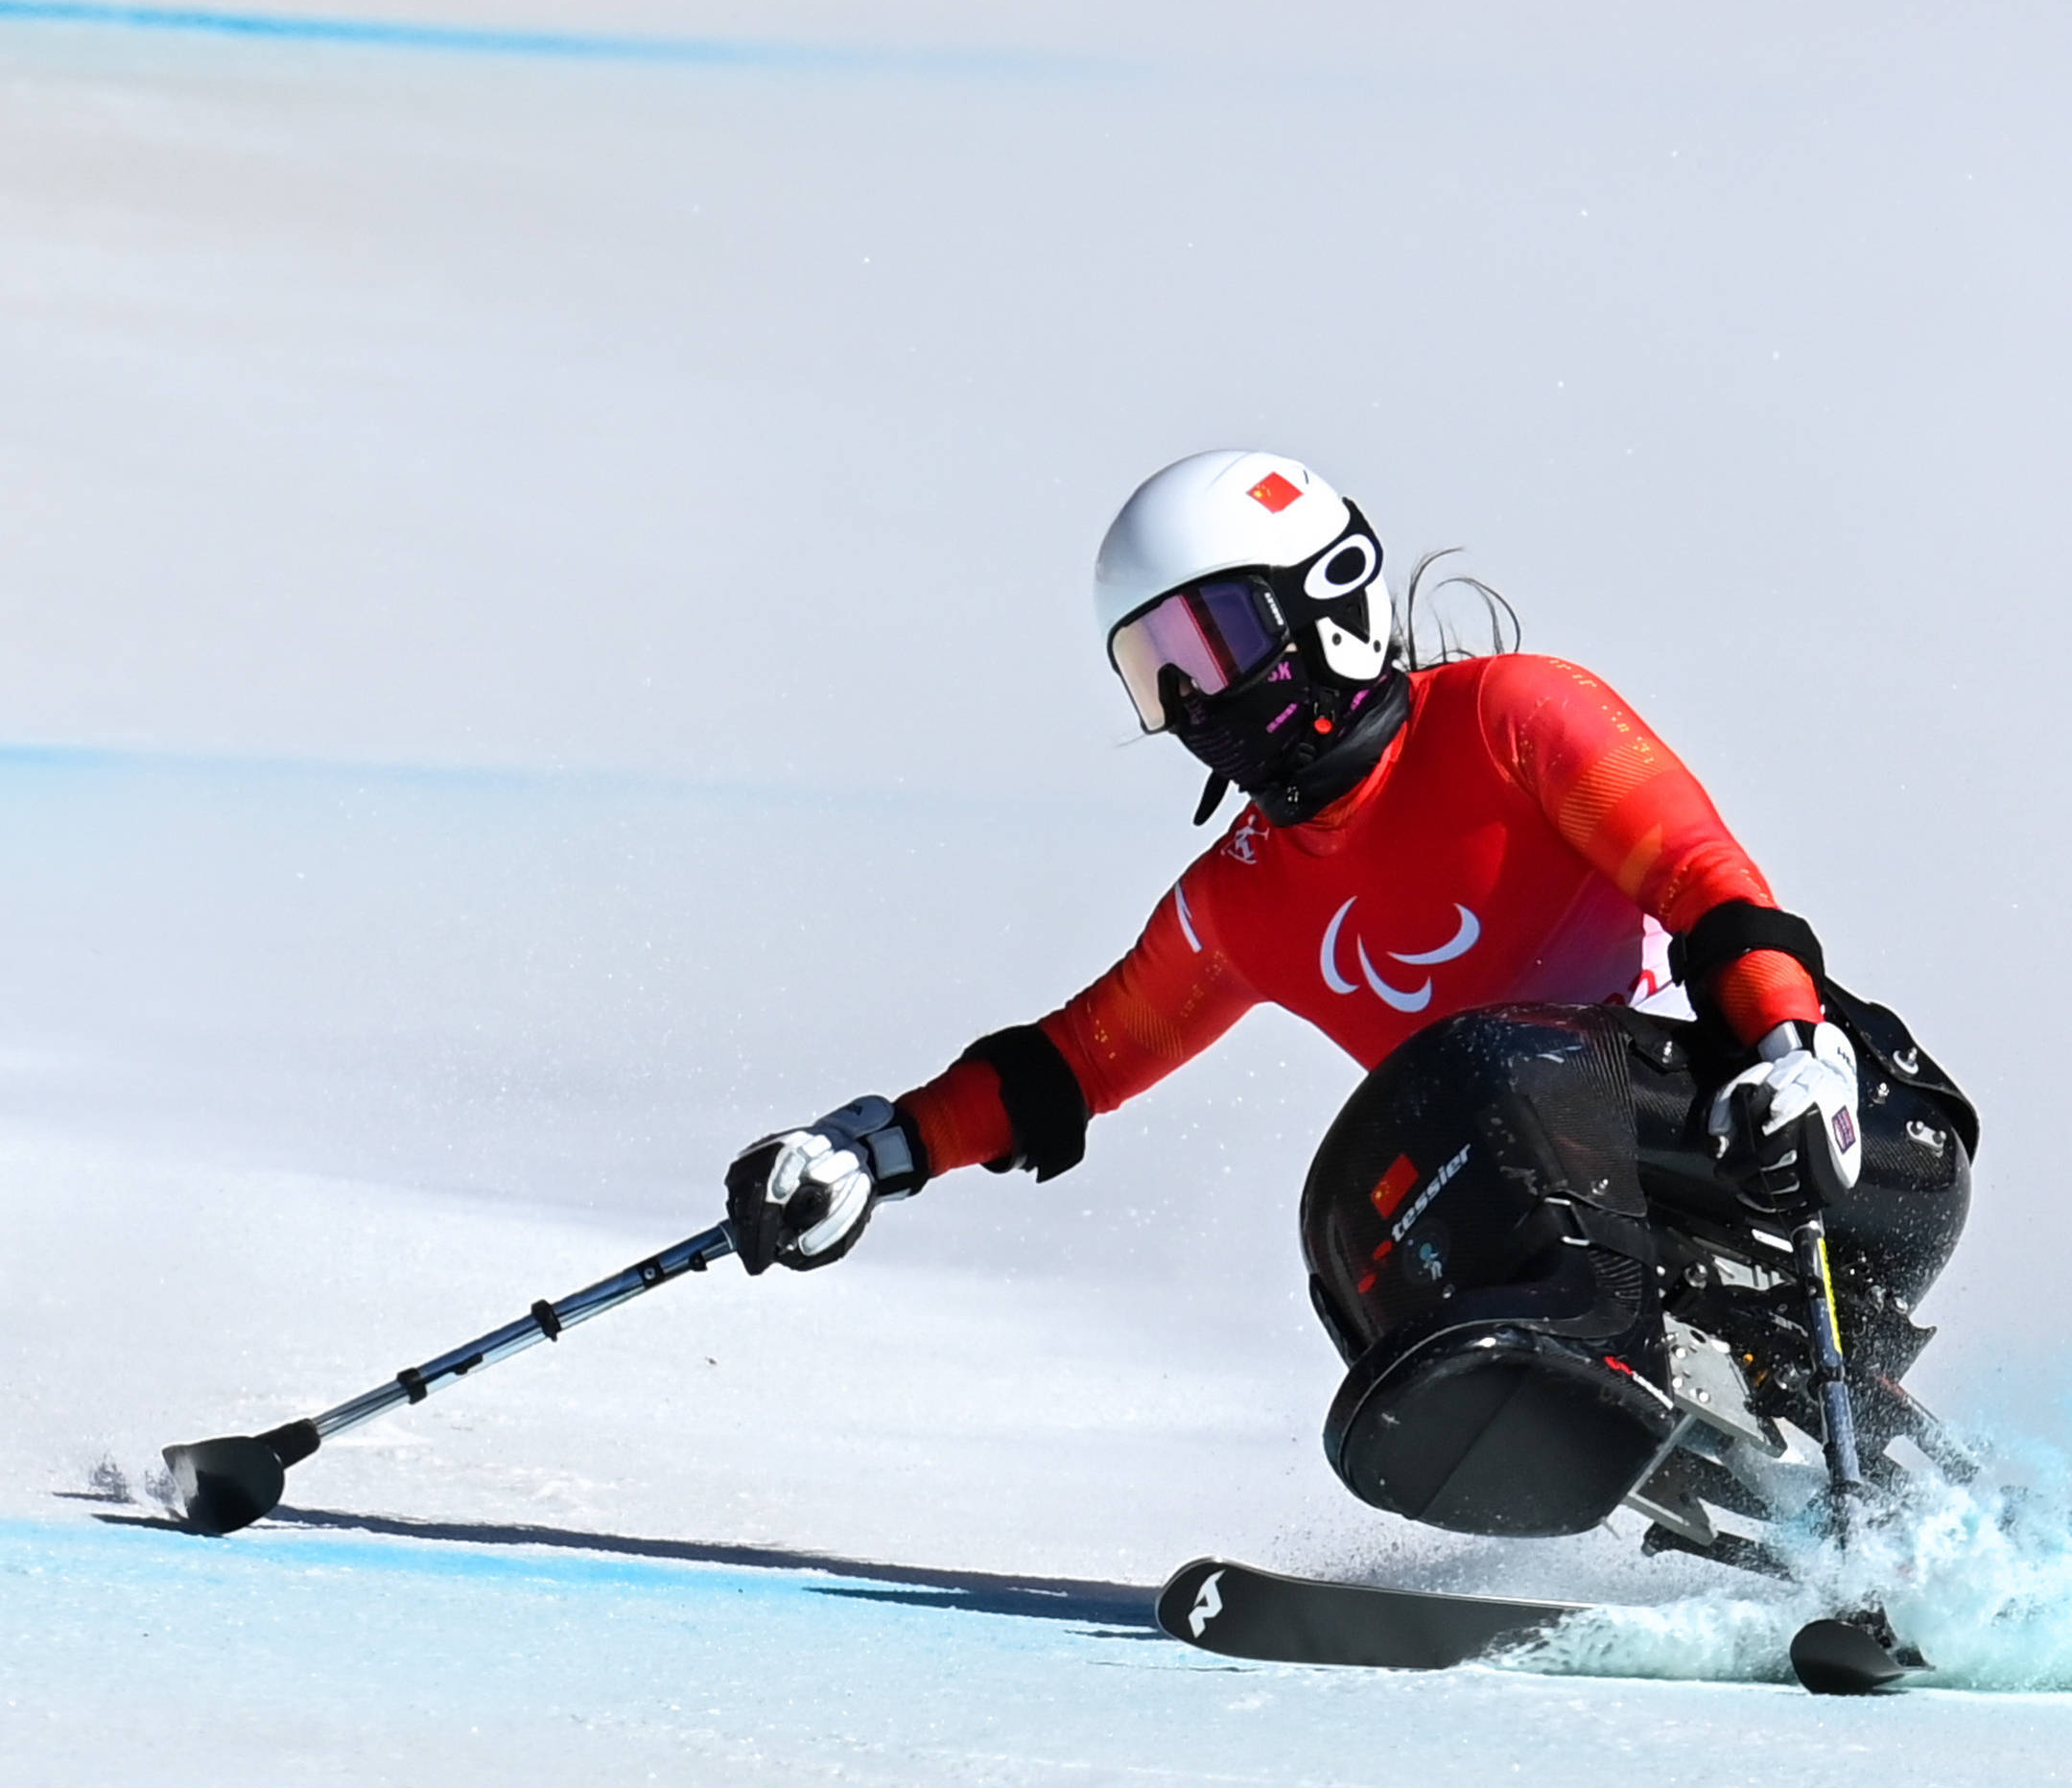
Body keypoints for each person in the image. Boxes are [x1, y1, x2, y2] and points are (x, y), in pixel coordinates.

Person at [716, 450, 1971, 1538]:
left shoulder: (1508, 718)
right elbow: (1070, 1062)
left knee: (1469, 1073)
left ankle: (1610, 1342)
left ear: (1329, 605)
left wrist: (1787, 1048)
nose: (1199, 702)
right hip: (1591, 1187)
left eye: (1215, 644)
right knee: (1349, 1235)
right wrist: (874, 1149)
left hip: (1823, 1134)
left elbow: (1710, 891)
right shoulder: (1244, 897)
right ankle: (1682, 1455)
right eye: (1160, 672)